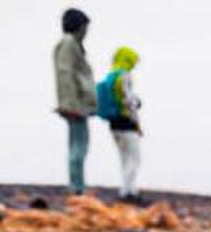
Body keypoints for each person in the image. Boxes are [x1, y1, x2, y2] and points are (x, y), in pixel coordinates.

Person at [53, 8, 95, 195]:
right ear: (79, 26)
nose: (87, 31)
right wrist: (71, 105)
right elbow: (65, 74)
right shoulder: (69, 44)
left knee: (78, 145)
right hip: (75, 104)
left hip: (78, 103)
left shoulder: (73, 45)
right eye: (85, 27)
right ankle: (77, 186)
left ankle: (77, 185)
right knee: (79, 146)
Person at [98, 47, 145, 203]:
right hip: (127, 123)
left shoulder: (111, 75)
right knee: (135, 159)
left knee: (124, 159)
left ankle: (130, 189)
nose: (134, 65)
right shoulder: (125, 76)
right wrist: (137, 121)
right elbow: (129, 101)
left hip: (113, 123)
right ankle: (126, 193)